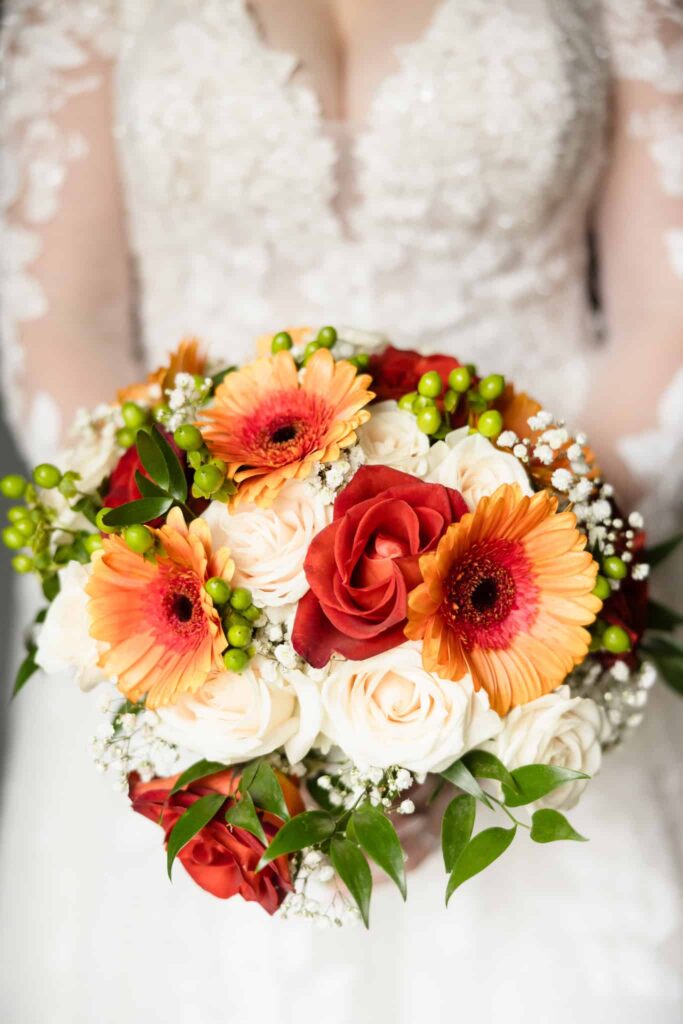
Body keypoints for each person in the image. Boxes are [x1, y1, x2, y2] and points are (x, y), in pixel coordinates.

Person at [1, 2, 681, 1021]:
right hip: (180, 595)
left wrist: (532, 614)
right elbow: (59, 329)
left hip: (542, 563)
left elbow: (662, 327)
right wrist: (206, 636)